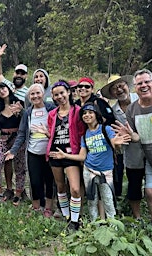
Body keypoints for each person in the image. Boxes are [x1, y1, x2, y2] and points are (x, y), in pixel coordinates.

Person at [113, 68, 152, 234]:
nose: (143, 85)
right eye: (140, 83)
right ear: (135, 87)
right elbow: (137, 138)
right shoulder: (132, 110)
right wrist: (130, 135)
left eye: (147, 82)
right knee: (151, 192)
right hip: (151, 158)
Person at [52, 103, 129, 221]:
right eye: (84, 113)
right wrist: (65, 155)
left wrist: (117, 143)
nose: (87, 115)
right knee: (92, 200)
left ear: (96, 114)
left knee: (108, 200)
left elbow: (114, 143)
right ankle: (94, 226)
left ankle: (113, 228)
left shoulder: (106, 129)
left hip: (106, 172)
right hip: (89, 170)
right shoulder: (84, 135)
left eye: (90, 112)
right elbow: (82, 156)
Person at [5, 84, 56, 217]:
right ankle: (36, 207)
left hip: (49, 152)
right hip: (33, 152)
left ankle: (48, 208)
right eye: (32, 94)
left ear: (43, 94)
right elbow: (22, 133)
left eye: (37, 93)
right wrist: (13, 151)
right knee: (35, 181)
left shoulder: (51, 109)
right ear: (29, 97)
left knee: (49, 180)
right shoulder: (28, 112)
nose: (35, 96)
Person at [101, 75, 145, 218]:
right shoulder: (114, 111)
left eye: (121, 85)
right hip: (131, 152)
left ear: (127, 85)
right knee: (134, 182)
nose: (119, 90)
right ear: (112, 94)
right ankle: (137, 215)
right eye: (114, 88)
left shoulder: (140, 98)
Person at [46, 80, 86, 230]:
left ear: (69, 92)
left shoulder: (77, 111)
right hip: (55, 153)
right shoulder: (52, 114)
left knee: (75, 188)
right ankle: (67, 215)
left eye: (62, 93)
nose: (60, 97)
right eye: (56, 95)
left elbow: (82, 132)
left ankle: (75, 220)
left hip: (71, 155)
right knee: (60, 186)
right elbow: (53, 132)